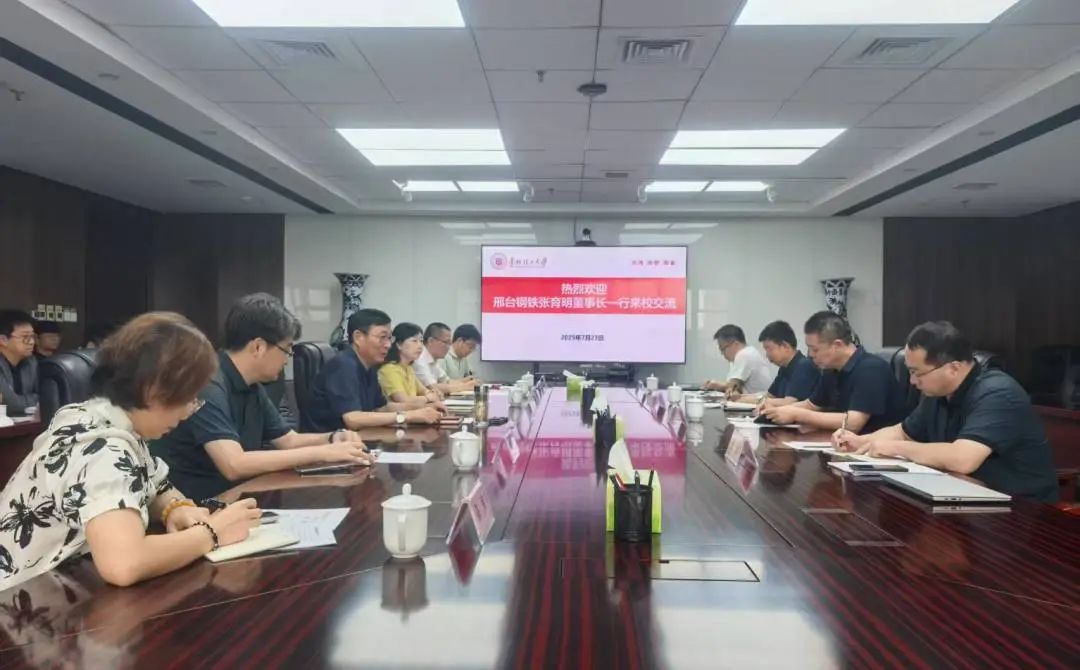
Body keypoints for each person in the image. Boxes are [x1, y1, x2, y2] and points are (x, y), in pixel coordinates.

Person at [0, 312, 260, 591]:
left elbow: (156, 485)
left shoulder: (109, 421)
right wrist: (213, 532)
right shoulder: (100, 448)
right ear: (153, 389)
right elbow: (124, 563)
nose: (189, 412)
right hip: (18, 600)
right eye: (189, 398)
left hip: (67, 584)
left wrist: (176, 508)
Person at [151, 294, 372, 501]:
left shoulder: (253, 385)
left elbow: (289, 441)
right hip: (194, 507)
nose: (287, 359)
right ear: (258, 347)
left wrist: (333, 438)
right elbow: (233, 464)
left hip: (238, 496)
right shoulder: (208, 382)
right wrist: (324, 453)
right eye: (287, 349)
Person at [833, 321, 1058, 503]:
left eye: (917, 373)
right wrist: (862, 441)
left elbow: (963, 459)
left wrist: (894, 448)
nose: (912, 381)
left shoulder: (998, 393)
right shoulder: (938, 393)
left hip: (1022, 510)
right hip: (965, 497)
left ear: (953, 368)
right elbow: (903, 432)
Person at [303, 309, 442, 432]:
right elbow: (353, 419)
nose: (388, 345)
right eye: (382, 338)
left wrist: (423, 408)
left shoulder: (369, 365)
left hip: (358, 438)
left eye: (389, 338)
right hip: (328, 444)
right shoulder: (343, 365)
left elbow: (381, 408)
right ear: (358, 337)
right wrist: (407, 416)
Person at [763, 311, 901, 433]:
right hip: (842, 443)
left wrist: (797, 414)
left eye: (815, 349)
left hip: (878, 448)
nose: (810, 355)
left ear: (837, 345)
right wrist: (778, 411)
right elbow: (811, 405)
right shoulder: (830, 369)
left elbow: (853, 423)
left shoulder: (871, 369)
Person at [738, 320, 820, 407]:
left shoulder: (803, 366)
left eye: (769, 349)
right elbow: (770, 395)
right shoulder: (784, 367)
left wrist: (748, 400)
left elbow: (789, 402)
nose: (767, 355)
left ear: (785, 346)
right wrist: (740, 398)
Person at [703, 324, 773, 395]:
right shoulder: (747, 353)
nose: (722, 353)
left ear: (735, 344)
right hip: (754, 399)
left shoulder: (744, 355)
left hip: (758, 400)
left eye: (723, 349)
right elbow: (733, 386)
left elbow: (733, 386)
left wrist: (715, 385)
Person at [414, 322, 477, 396]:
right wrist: (465, 386)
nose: (448, 347)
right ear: (431, 341)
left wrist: (465, 382)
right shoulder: (419, 359)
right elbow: (433, 387)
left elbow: (447, 381)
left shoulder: (433, 360)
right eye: (446, 342)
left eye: (449, 343)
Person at [0, 309, 39, 416]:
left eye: (32, 337)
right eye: (25, 337)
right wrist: (34, 400)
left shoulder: (31, 362)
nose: (32, 342)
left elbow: (47, 396)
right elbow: (11, 405)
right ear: (3, 340)